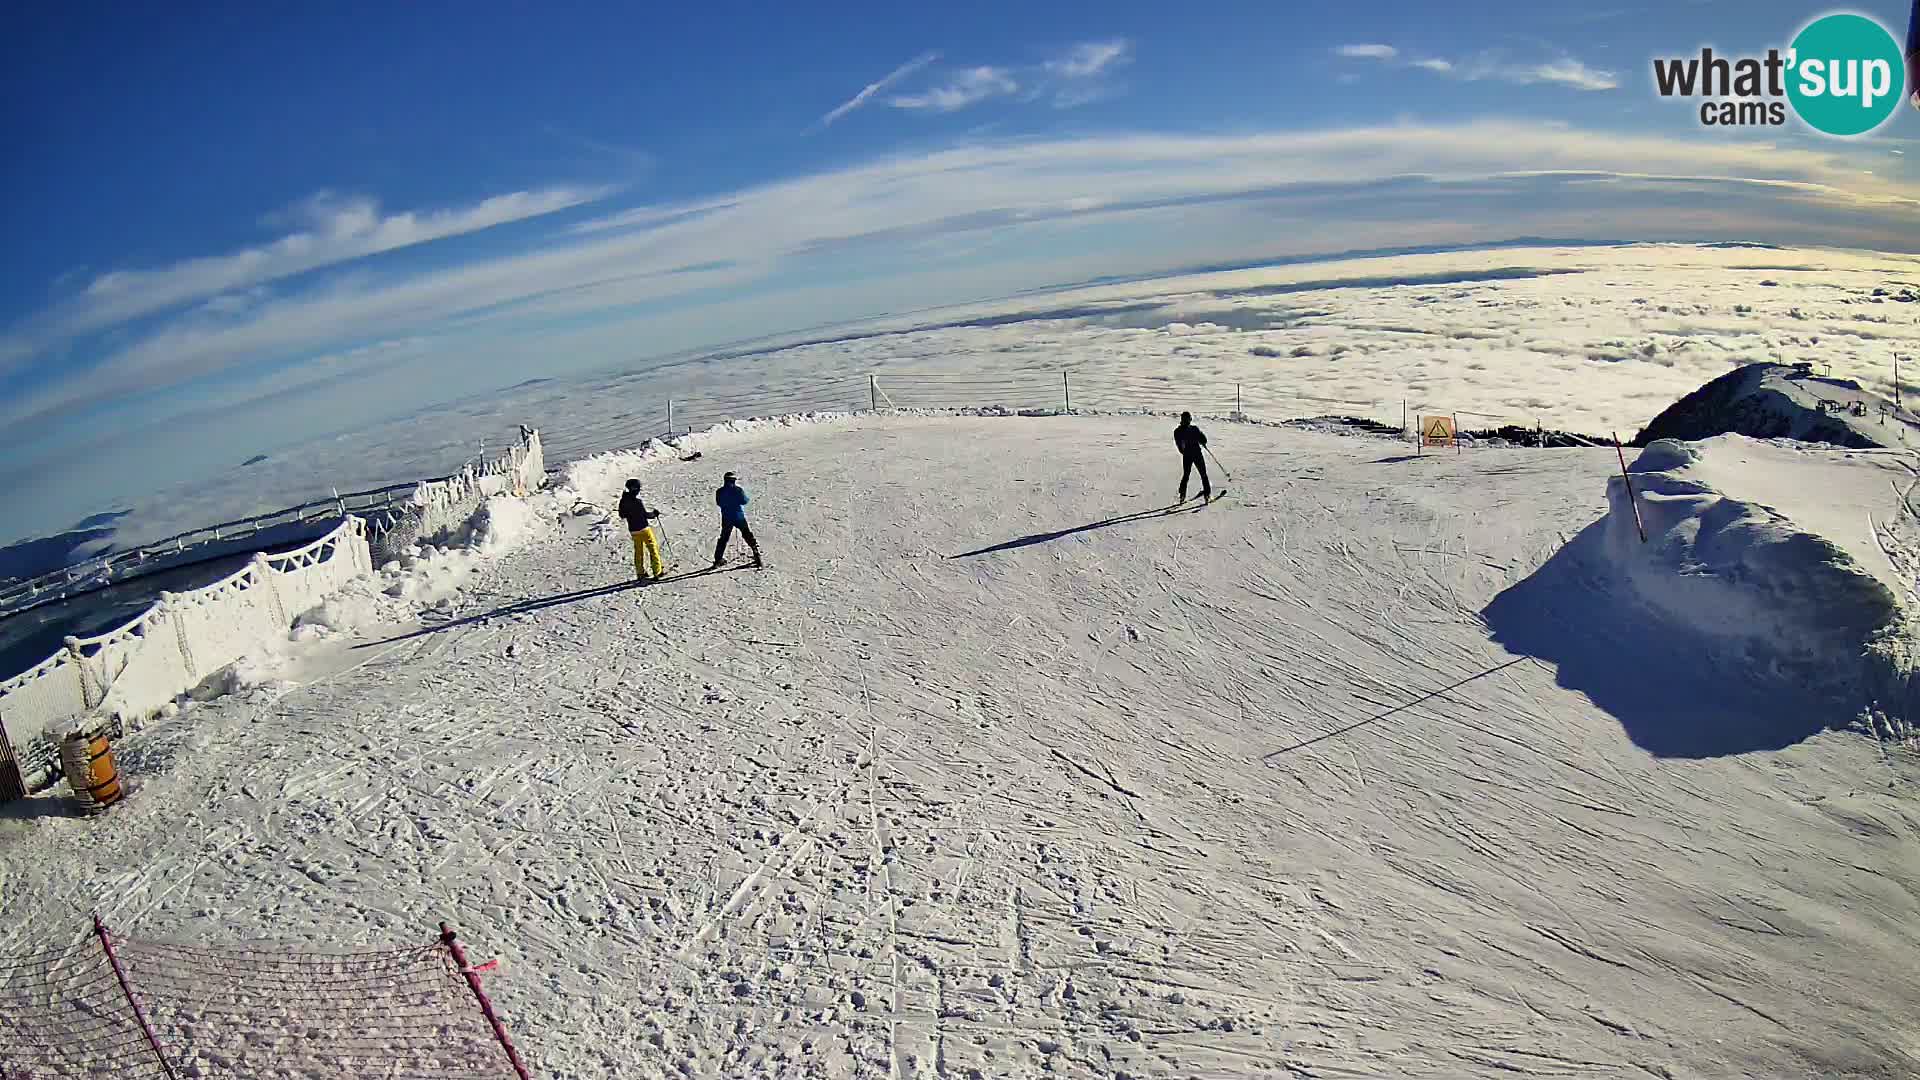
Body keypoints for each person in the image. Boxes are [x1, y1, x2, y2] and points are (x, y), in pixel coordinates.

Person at [618, 478, 666, 581]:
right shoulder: (637, 502)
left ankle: (640, 573)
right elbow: (645, 515)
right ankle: (657, 571)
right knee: (653, 548)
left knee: (638, 551)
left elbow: (622, 515)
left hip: (633, 530)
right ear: (635, 489)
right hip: (644, 529)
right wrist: (654, 514)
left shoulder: (623, 501)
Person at [713, 471, 762, 568]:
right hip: (739, 517)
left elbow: (719, 503)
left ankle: (718, 559)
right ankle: (757, 556)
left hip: (726, 518)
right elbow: (744, 501)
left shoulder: (719, 491)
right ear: (734, 480)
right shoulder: (738, 490)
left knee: (724, 538)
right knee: (747, 535)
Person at [1174, 412, 1212, 502]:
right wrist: (1200, 441)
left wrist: (1185, 452)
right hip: (1197, 454)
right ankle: (1207, 494)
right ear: (1189, 419)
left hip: (1187, 456)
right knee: (1203, 474)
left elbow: (1180, 446)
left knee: (1186, 475)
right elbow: (1204, 439)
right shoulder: (1194, 429)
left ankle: (1182, 495)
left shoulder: (1177, 431)